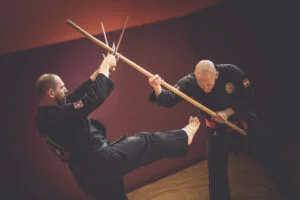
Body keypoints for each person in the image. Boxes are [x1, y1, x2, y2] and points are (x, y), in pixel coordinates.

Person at [34, 54, 201, 200]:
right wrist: (105, 68)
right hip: (101, 160)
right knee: (146, 142)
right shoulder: (55, 116)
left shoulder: (44, 117)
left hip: (89, 175)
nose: (66, 89)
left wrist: (99, 73)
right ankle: (184, 137)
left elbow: (72, 100)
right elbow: (91, 99)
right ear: (51, 93)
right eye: (62, 87)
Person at [148, 60, 298, 200]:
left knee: (270, 158)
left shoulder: (232, 73)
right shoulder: (190, 82)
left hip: (244, 122)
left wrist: (228, 112)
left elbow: (249, 95)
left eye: (209, 84)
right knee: (216, 174)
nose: (205, 88)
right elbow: (168, 99)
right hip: (216, 132)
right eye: (201, 85)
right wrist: (157, 87)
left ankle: (291, 193)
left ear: (217, 75)